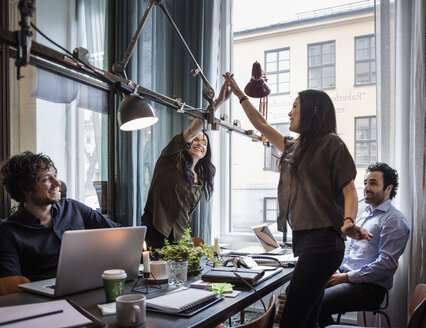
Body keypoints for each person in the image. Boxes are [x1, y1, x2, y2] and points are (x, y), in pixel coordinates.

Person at [223, 72, 372, 328]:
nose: (290, 114)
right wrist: (239, 94)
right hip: (308, 243)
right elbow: (262, 126)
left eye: (295, 107)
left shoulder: (332, 144)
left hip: (325, 243)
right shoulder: (295, 147)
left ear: (314, 112)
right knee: (307, 318)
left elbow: (349, 189)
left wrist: (348, 221)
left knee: (291, 318)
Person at [0, 151, 120, 281]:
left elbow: (121, 234)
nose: (57, 184)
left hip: (90, 284)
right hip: (43, 298)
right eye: (46, 179)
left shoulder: (74, 208)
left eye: (55, 176)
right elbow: (11, 286)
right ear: (24, 187)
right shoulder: (8, 231)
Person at [318, 162, 410, 327]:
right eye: (366, 182)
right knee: (298, 293)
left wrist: (345, 277)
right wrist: (338, 269)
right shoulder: (364, 215)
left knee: (314, 304)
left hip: (369, 289)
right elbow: (350, 251)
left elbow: (386, 265)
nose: (366, 187)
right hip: (347, 278)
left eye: (373, 183)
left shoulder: (394, 220)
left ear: (388, 189)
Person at [141, 80, 232, 249]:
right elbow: (190, 132)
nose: (200, 144)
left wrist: (187, 243)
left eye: (204, 142)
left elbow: (186, 214)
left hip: (181, 240)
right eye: (196, 140)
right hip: (156, 233)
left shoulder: (202, 177)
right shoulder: (170, 158)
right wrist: (218, 102)